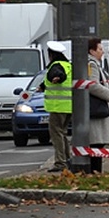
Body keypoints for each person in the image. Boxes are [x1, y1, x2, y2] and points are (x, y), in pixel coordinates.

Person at [87, 38, 109, 173]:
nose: (102, 52)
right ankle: (95, 171)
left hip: (96, 109)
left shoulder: (94, 63)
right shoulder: (92, 64)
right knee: (96, 143)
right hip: (96, 110)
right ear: (92, 51)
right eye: (100, 49)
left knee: (97, 144)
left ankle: (95, 171)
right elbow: (93, 85)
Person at [42, 40, 72, 173]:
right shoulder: (68, 65)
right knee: (62, 133)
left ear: (51, 55)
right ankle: (68, 158)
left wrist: (57, 77)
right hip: (68, 106)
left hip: (58, 107)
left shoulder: (56, 65)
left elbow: (58, 74)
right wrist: (42, 86)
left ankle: (60, 162)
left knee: (56, 134)